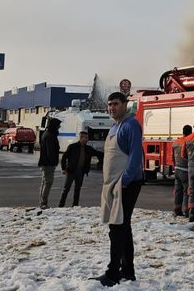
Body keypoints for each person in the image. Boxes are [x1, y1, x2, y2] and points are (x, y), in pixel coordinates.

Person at [93, 92, 143, 287]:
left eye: (115, 104)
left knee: (117, 227)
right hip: (113, 185)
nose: (111, 107)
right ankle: (127, 271)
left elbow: (136, 156)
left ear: (125, 105)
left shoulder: (130, 125)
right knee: (124, 227)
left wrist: (125, 181)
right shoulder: (115, 126)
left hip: (125, 185)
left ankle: (112, 273)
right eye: (109, 105)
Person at [59, 131, 103, 207]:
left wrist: (108, 153)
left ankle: (75, 205)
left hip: (81, 171)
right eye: (85, 138)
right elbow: (64, 157)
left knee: (77, 189)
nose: (87, 139)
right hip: (71, 171)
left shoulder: (88, 148)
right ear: (81, 138)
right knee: (66, 189)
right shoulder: (72, 147)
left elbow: (98, 153)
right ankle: (61, 205)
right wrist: (63, 168)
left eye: (87, 138)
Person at [38, 118, 61, 209]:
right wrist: (53, 162)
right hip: (48, 163)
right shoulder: (50, 136)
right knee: (48, 183)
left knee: (44, 183)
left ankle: (42, 202)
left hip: (45, 162)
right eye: (58, 125)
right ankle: (43, 203)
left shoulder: (47, 134)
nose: (59, 127)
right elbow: (50, 151)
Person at [172, 125, 193, 217]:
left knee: (178, 191)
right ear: (190, 132)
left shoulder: (176, 142)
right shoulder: (189, 142)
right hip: (186, 169)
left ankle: (177, 209)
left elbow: (172, 156)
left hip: (177, 169)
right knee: (186, 191)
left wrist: (175, 166)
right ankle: (186, 211)